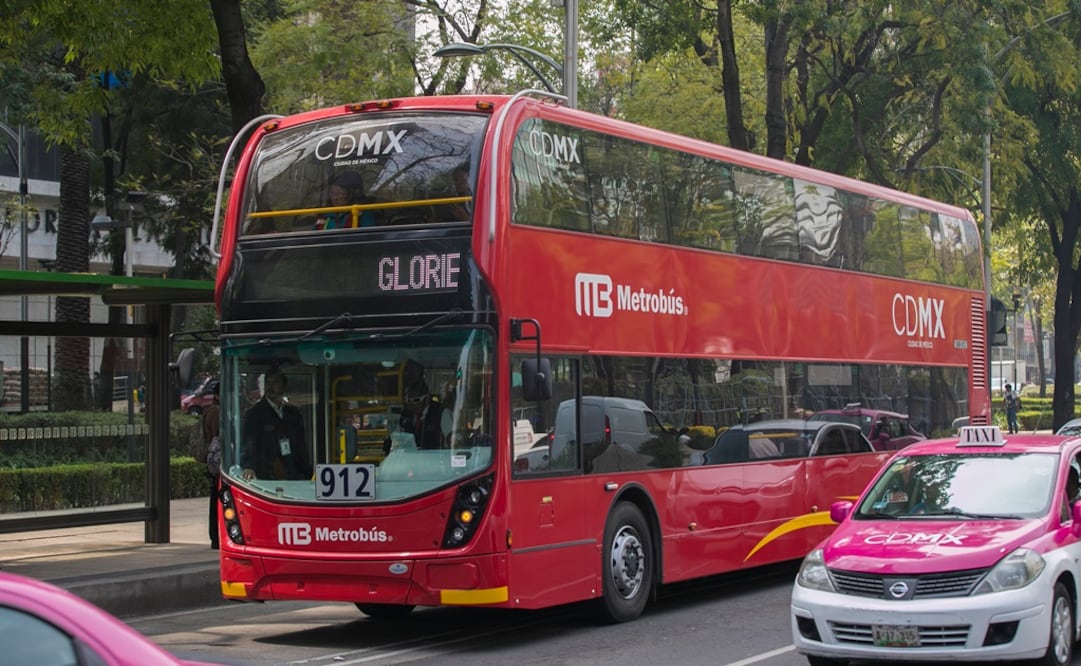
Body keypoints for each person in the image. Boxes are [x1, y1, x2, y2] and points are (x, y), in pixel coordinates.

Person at [240, 368, 311, 481]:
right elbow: (249, 444)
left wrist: (307, 472)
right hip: (266, 476)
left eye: (275, 383)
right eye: (268, 382)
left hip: (293, 473)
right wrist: (249, 467)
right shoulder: (254, 414)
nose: (270, 386)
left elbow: (300, 446)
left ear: (284, 386)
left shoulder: (293, 413)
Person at [200, 382, 221, 549]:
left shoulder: (213, 411)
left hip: (213, 460)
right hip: (217, 461)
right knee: (217, 498)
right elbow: (217, 436)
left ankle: (216, 536)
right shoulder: (216, 412)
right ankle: (216, 536)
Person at [400, 380, 445, 449]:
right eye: (409, 400)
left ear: (427, 398)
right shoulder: (406, 415)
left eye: (416, 400)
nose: (412, 405)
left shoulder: (440, 413)